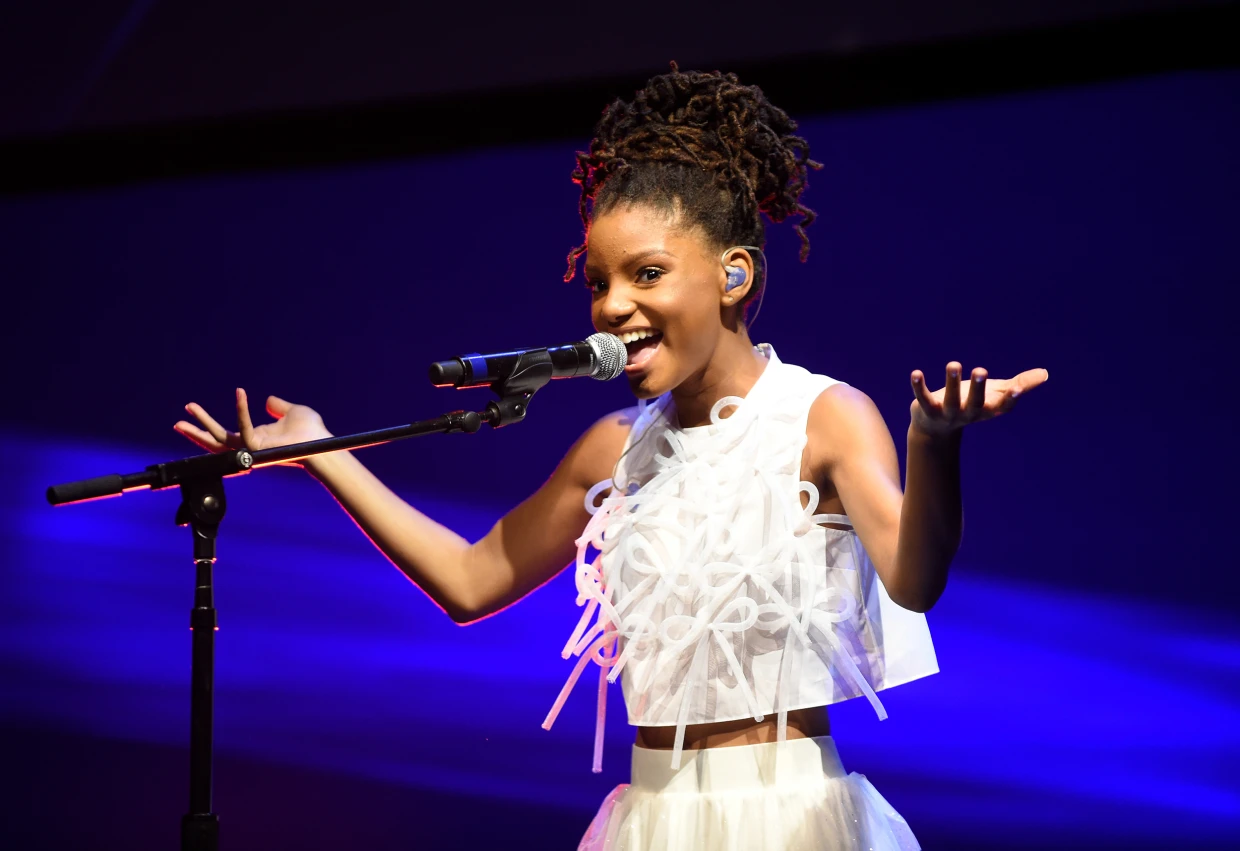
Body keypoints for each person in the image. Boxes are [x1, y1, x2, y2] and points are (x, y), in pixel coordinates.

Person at [175, 63, 1047, 851]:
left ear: (734, 275)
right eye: (598, 281)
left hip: (791, 818)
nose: (612, 304)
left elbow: (914, 577)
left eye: (648, 273)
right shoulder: (611, 450)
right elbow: (474, 579)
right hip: (652, 821)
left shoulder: (823, 415)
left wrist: (934, 443)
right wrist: (322, 452)